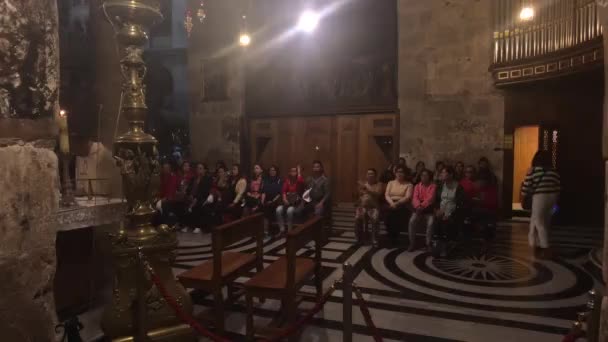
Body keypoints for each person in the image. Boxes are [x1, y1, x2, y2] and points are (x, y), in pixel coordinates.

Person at [521, 150, 561, 259]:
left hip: (539, 198)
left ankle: (545, 248)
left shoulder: (533, 171)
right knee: (544, 222)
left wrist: (523, 196)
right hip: (553, 198)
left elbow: (526, 187)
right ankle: (536, 245)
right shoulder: (554, 172)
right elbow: (558, 187)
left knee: (539, 222)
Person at [433, 166, 466, 256]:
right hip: (441, 211)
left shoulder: (458, 187)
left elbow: (460, 204)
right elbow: (436, 200)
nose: (442, 174)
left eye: (444, 173)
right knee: (437, 221)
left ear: (450, 174)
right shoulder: (440, 186)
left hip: (453, 212)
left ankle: (445, 247)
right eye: (442, 173)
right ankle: (438, 245)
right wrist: (437, 210)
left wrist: (449, 214)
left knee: (446, 223)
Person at [408, 169, 436, 252]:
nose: (423, 177)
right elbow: (414, 198)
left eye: (425, 175)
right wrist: (418, 206)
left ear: (429, 177)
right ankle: (412, 243)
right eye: (422, 175)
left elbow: (430, 199)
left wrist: (421, 206)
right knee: (411, 221)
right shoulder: (417, 186)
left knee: (431, 223)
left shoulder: (433, 186)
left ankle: (428, 243)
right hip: (418, 210)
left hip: (428, 210)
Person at [384, 166, 413, 242]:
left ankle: (394, 236)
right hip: (390, 203)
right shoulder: (390, 183)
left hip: (402, 204)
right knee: (388, 213)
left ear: (405, 174)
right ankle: (390, 234)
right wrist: (392, 203)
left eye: (402, 172)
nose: (399, 174)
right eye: (398, 172)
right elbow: (387, 195)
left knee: (396, 213)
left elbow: (407, 197)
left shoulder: (409, 184)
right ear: (395, 173)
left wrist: (396, 204)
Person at [473, 169, 499, 254]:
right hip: (479, 212)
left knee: (487, 222)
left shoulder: (491, 190)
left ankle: (486, 243)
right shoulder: (478, 190)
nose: (478, 183)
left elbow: (493, 204)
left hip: (489, 213)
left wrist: (481, 202)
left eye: (480, 181)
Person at [355, 168, 383, 245]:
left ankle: (374, 238)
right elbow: (359, 196)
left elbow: (378, 194)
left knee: (375, 219)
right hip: (363, 207)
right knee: (357, 218)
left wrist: (367, 189)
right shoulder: (363, 185)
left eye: (372, 174)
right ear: (366, 176)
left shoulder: (379, 184)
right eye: (368, 174)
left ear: (375, 176)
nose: (370, 175)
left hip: (373, 207)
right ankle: (358, 238)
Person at [182, 163, 213, 233]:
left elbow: (205, 191)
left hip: (202, 198)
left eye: (200, 168)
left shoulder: (207, 179)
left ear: (204, 170)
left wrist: (196, 198)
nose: (199, 170)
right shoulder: (193, 179)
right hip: (192, 197)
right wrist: (189, 195)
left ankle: (198, 226)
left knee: (197, 204)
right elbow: (189, 189)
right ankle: (187, 225)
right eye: (197, 168)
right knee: (185, 203)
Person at [276, 166, 304, 232]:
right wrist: (284, 199)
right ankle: (282, 229)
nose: (293, 172)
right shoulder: (287, 181)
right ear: (289, 172)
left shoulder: (299, 180)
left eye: (295, 171)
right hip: (287, 202)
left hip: (296, 204)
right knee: (278, 210)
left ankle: (290, 230)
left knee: (289, 211)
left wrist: (299, 172)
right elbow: (283, 191)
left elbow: (301, 182)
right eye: (292, 171)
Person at [261, 165, 283, 235]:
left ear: (276, 171)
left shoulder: (279, 180)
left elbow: (279, 194)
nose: (272, 172)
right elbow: (263, 192)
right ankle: (265, 231)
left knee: (268, 208)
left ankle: (266, 231)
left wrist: (273, 201)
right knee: (263, 207)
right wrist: (262, 201)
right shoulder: (266, 180)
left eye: (273, 170)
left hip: (276, 200)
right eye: (270, 170)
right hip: (266, 200)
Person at [158, 160, 178, 224]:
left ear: (170, 169)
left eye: (167, 168)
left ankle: (166, 223)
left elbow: (171, 190)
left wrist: (164, 199)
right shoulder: (161, 177)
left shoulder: (173, 177)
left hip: (170, 198)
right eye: (164, 168)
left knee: (164, 205)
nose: (165, 170)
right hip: (161, 198)